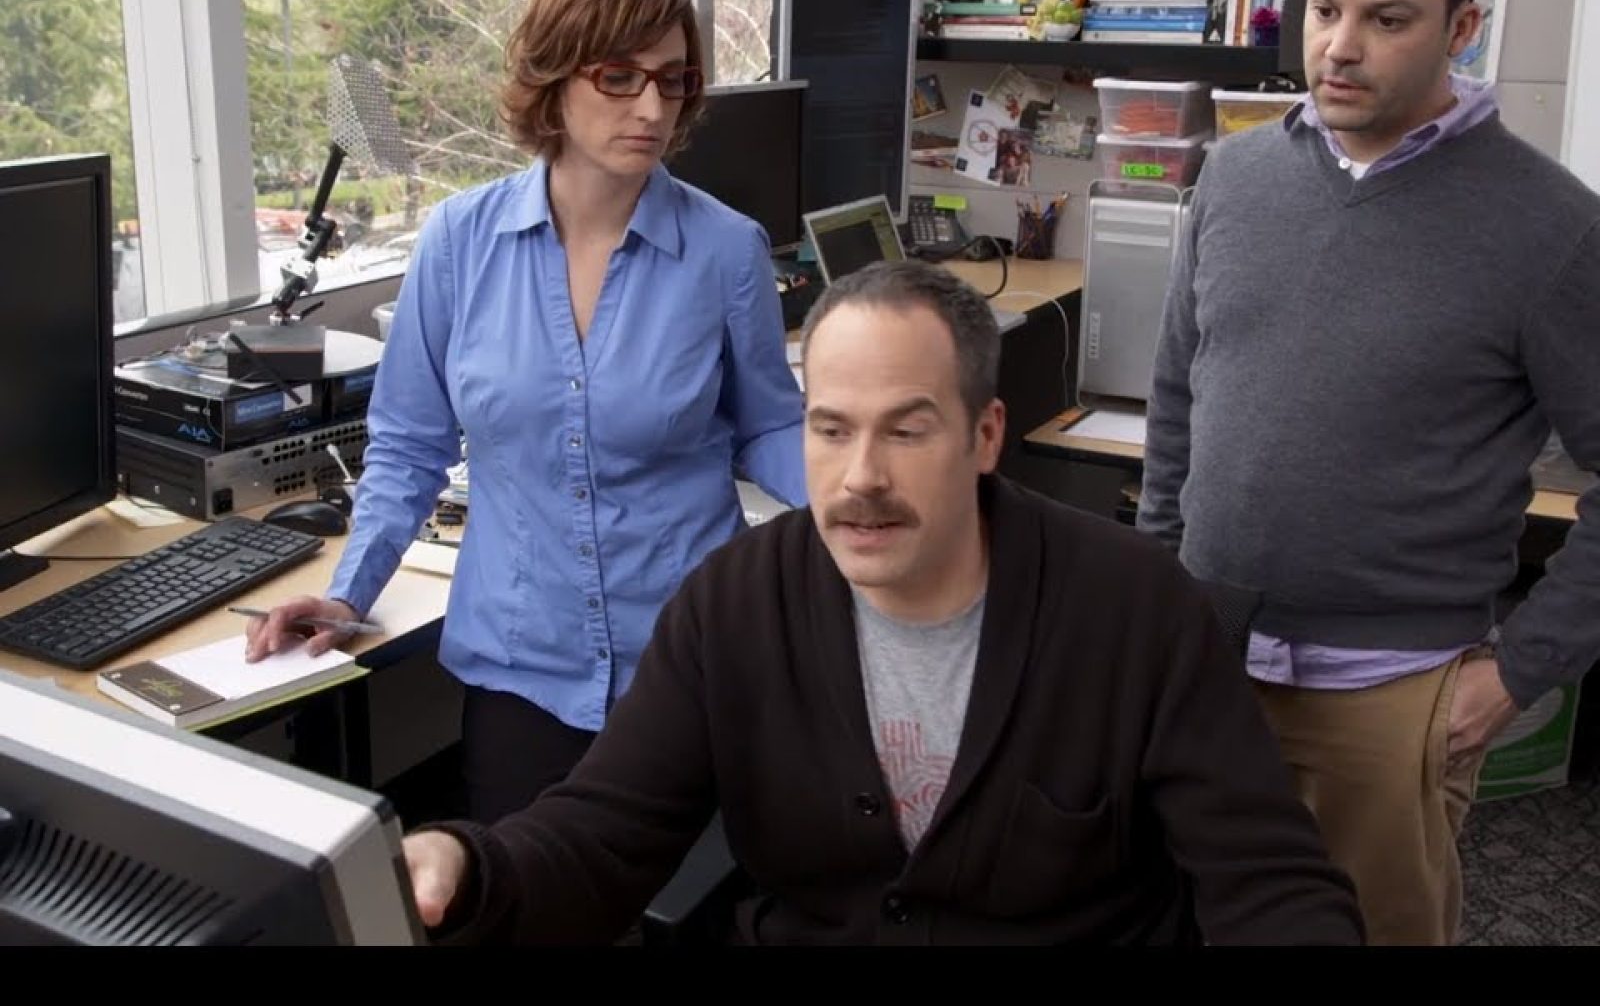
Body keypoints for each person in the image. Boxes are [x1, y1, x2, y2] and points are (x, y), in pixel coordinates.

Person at [401, 260, 1364, 945]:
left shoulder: (1136, 610)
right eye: (831, 430)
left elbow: (1270, 886)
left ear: (986, 435)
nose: (861, 477)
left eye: (906, 432)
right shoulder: (733, 605)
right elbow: (603, 834)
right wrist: (467, 864)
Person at [1138, 0, 1600, 946]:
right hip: (1207, 668)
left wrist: (1517, 672)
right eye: (1324, 10)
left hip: (1393, 698)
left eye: (1386, 20)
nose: (1339, 47)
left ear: (1462, 27)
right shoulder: (1232, 179)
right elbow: (1176, 406)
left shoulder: (1551, 228)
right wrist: (1157, 599)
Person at [246, 0, 807, 824]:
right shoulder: (457, 242)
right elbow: (409, 444)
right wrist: (351, 591)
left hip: (690, 655)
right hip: (522, 667)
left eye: (672, 80)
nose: (652, 108)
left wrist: (866, 501)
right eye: (618, 77)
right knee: (526, 889)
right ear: (553, 76)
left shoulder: (727, 250)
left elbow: (768, 427)